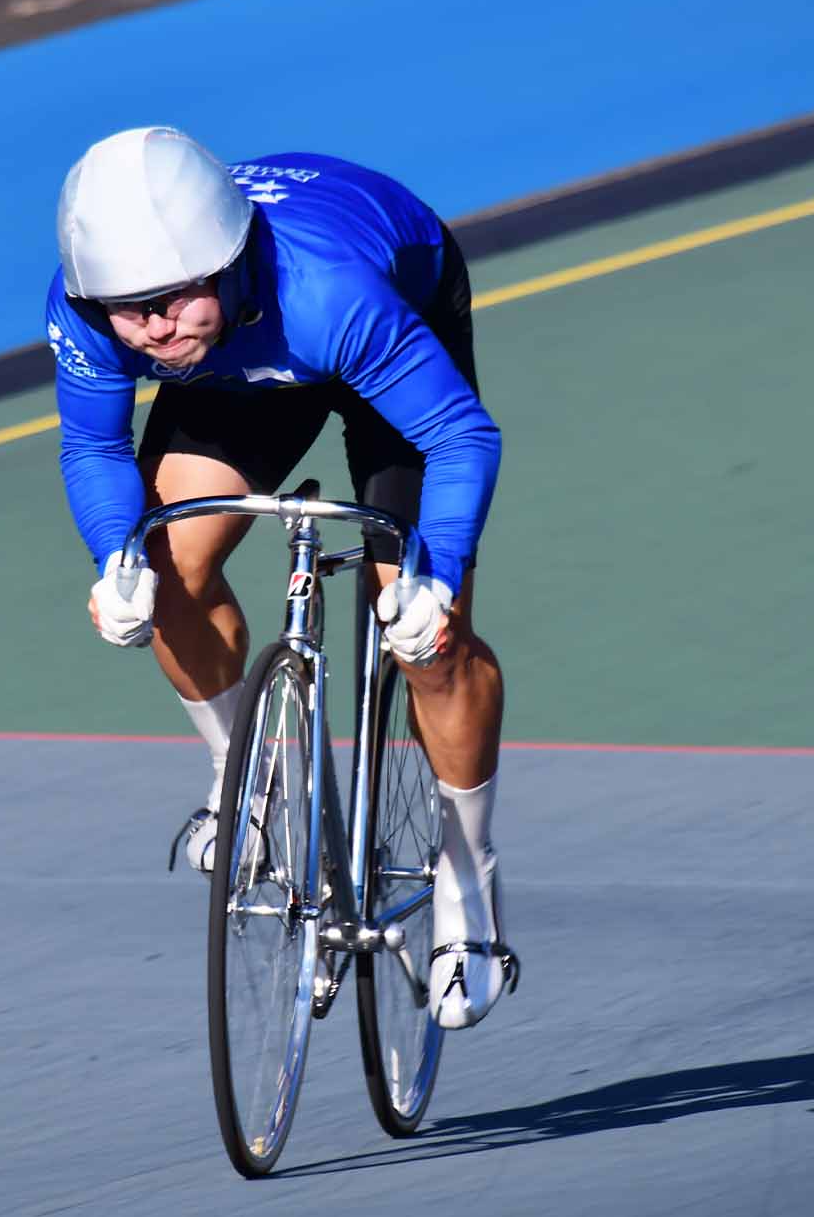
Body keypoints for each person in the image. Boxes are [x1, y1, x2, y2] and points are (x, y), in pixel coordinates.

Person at [44, 126, 516, 1029]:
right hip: (246, 363)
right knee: (167, 567)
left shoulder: (333, 294)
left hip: (379, 334)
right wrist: (115, 555)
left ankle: (468, 887)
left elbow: (462, 437)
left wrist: (439, 579)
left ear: (224, 266)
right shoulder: (100, 308)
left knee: (424, 641)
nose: (151, 329)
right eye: (127, 310)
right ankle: (243, 785)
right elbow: (92, 443)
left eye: (171, 301)